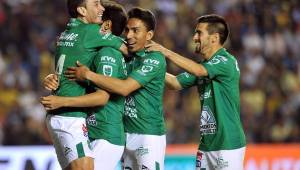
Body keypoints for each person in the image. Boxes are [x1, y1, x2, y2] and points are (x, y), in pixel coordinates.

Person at [65, 7, 167, 170]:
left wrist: (88, 75)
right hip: (125, 133)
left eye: (135, 31)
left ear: (149, 35)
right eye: (127, 30)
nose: (129, 35)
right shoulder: (125, 55)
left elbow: (125, 88)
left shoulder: (154, 58)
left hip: (148, 136)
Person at [146, 14, 246, 170]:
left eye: (199, 33)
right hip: (206, 145)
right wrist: (148, 66)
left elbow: (199, 71)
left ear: (214, 38)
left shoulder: (226, 61)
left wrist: (164, 51)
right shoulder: (205, 66)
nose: (194, 37)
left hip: (228, 145)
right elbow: (175, 83)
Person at [41, 2, 127, 170]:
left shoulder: (67, 33)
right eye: (95, 4)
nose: (101, 8)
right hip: (69, 118)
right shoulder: (92, 32)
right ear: (81, 10)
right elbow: (130, 49)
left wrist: (51, 78)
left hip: (61, 117)